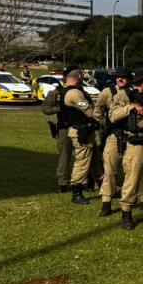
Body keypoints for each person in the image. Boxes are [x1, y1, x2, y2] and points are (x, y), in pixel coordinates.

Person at [108, 68, 143, 230]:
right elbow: (113, 116)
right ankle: (126, 213)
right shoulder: (123, 96)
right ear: (139, 82)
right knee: (132, 178)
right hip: (135, 142)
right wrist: (131, 107)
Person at [95, 67, 131, 217]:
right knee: (109, 169)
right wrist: (105, 124)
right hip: (114, 134)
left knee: (133, 170)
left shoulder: (133, 92)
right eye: (118, 77)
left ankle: (140, 199)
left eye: (124, 77)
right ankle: (106, 202)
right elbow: (98, 110)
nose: (120, 79)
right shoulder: (108, 92)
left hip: (131, 135)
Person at [58, 67, 97, 206]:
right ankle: (77, 192)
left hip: (83, 131)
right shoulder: (74, 93)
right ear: (78, 76)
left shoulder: (65, 91)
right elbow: (90, 111)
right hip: (81, 133)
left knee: (96, 162)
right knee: (82, 162)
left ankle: (106, 188)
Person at [40, 78, 73, 193]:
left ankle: (85, 182)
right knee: (64, 156)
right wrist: (61, 109)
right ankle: (63, 183)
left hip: (81, 128)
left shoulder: (80, 91)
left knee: (85, 157)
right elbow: (45, 109)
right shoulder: (57, 92)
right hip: (64, 128)